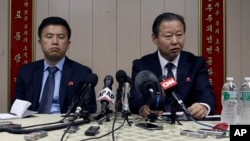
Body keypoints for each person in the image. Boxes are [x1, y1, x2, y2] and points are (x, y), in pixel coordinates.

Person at [129, 12, 216, 119]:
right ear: (154, 38)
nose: (175, 41)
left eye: (179, 35)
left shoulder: (196, 63)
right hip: (154, 126)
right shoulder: (142, 65)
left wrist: (203, 107)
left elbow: (206, 94)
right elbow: (135, 98)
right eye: (168, 36)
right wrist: (143, 108)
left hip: (187, 125)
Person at [12, 16, 97, 114]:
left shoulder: (82, 73)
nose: (55, 42)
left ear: (68, 43)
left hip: (66, 126)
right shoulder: (26, 72)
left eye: (61, 37)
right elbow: (16, 109)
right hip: (31, 126)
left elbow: (89, 111)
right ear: (40, 43)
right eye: (49, 36)